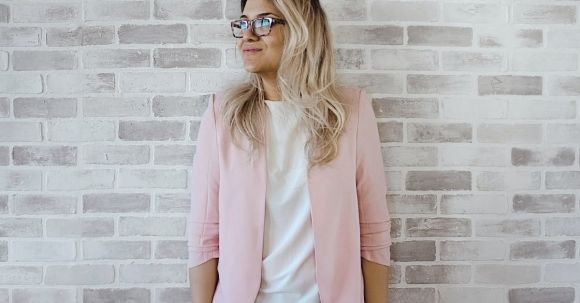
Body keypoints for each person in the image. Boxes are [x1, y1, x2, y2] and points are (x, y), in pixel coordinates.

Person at [187, 0, 392, 302]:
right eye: (243, 23)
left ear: (301, 29)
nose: (248, 35)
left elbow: (373, 233)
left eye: (264, 23)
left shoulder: (352, 113)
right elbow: (204, 235)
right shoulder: (224, 116)